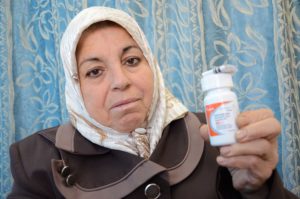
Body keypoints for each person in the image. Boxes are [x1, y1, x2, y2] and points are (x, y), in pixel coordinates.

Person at [7, 6, 298, 199]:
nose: (120, 81)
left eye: (132, 60)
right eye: (94, 71)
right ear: (75, 87)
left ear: (152, 64)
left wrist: (259, 188)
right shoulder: (36, 160)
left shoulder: (217, 135)